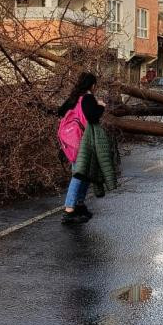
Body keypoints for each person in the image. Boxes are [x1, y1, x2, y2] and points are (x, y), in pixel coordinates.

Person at [57, 72, 105, 224]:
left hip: (71, 141)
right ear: (92, 85)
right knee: (79, 176)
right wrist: (101, 107)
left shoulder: (74, 97)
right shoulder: (88, 98)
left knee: (82, 174)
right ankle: (69, 209)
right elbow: (92, 116)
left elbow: (60, 112)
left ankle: (79, 205)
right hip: (83, 141)